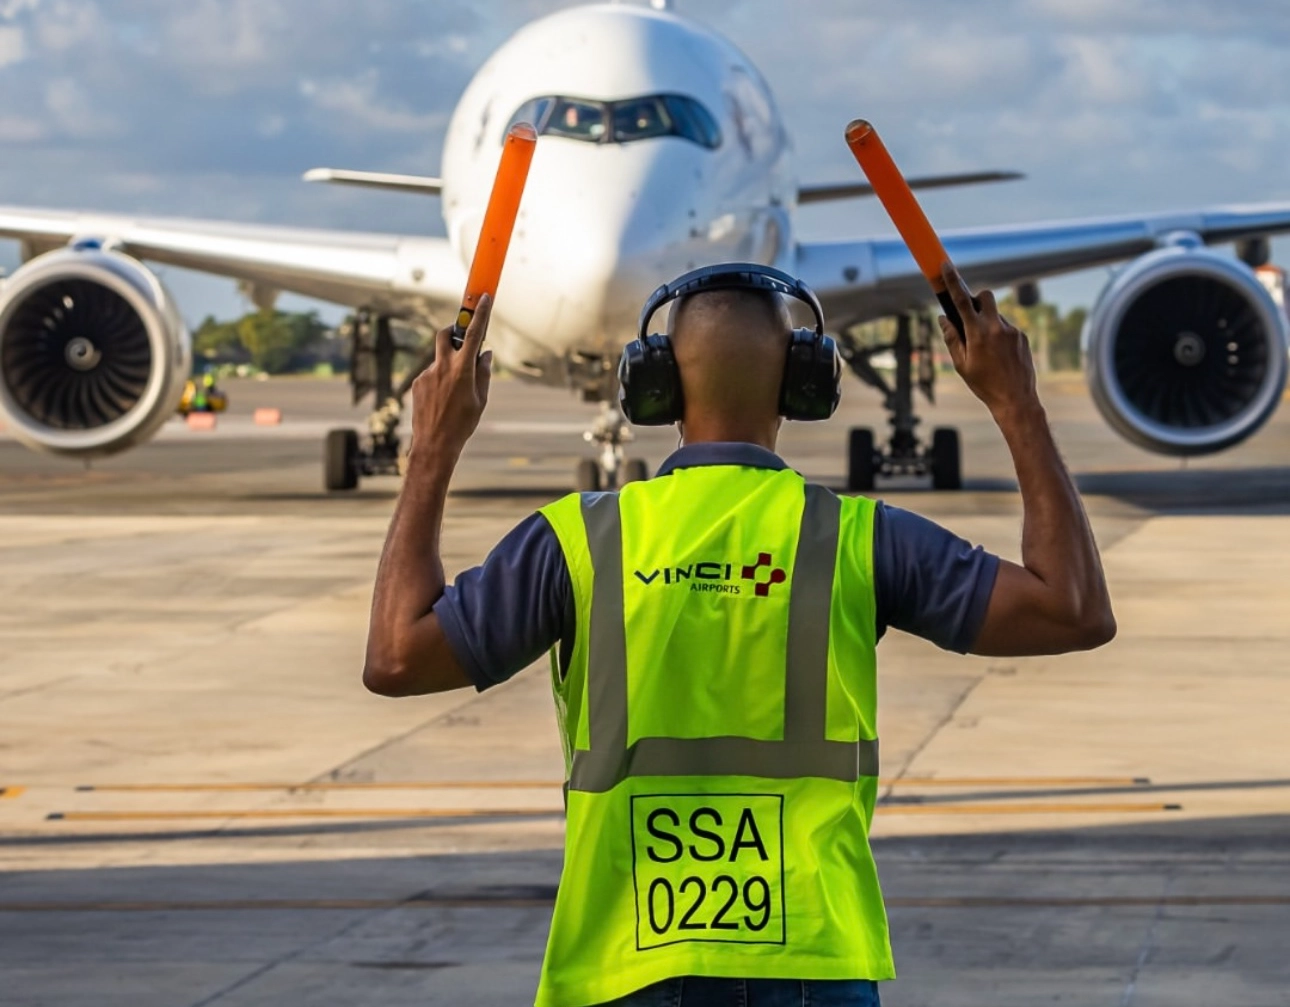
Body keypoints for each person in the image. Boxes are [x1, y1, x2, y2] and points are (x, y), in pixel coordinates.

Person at [363, 264, 1116, 1007]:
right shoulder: (854, 538)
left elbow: (397, 656)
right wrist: (1018, 405)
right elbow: (1072, 609)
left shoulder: (578, 541)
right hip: (812, 961)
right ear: (804, 382)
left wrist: (432, 448)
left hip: (620, 964)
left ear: (652, 387)